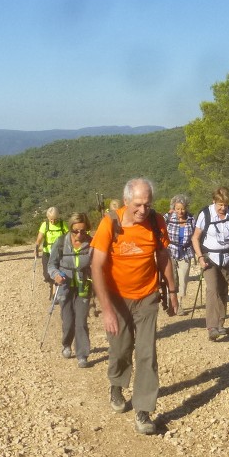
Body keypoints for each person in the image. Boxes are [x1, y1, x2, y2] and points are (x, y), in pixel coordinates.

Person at [90, 178, 178, 436]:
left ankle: (143, 408)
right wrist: (106, 309)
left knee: (147, 353)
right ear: (126, 201)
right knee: (120, 348)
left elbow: (163, 256)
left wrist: (172, 291)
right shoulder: (110, 223)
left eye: (147, 205)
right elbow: (96, 266)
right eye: (138, 205)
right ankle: (117, 384)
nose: (143, 210)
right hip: (116, 297)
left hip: (147, 295)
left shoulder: (156, 221)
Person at [191, 186, 229, 340]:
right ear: (214, 201)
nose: (223, 208)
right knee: (212, 289)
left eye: (225, 205)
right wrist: (200, 257)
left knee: (223, 290)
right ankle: (212, 327)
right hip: (209, 257)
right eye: (220, 204)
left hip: (227, 257)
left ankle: (221, 323)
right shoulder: (205, 214)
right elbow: (195, 238)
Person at [47, 212, 94, 368]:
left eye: (83, 230)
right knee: (68, 321)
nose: (79, 234)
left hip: (83, 285)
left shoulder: (92, 243)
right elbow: (51, 265)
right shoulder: (61, 242)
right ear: (70, 229)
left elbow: (98, 264)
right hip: (65, 286)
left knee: (81, 321)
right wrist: (55, 275)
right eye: (75, 231)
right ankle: (66, 344)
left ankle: (82, 354)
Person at [165, 194, 195, 313]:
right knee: (172, 278)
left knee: (184, 279)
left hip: (186, 252)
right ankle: (171, 303)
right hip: (170, 250)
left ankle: (179, 304)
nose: (180, 211)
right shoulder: (168, 217)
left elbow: (196, 234)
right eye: (177, 209)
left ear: (186, 207)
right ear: (174, 208)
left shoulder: (191, 219)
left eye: (182, 208)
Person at [35, 207, 68, 299]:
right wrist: (36, 247)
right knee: (47, 274)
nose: (53, 221)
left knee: (57, 271)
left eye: (55, 219)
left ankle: (54, 292)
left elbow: (69, 237)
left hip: (60, 253)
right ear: (47, 218)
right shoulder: (45, 225)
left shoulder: (63, 225)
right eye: (51, 219)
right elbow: (39, 238)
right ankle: (52, 285)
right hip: (47, 253)